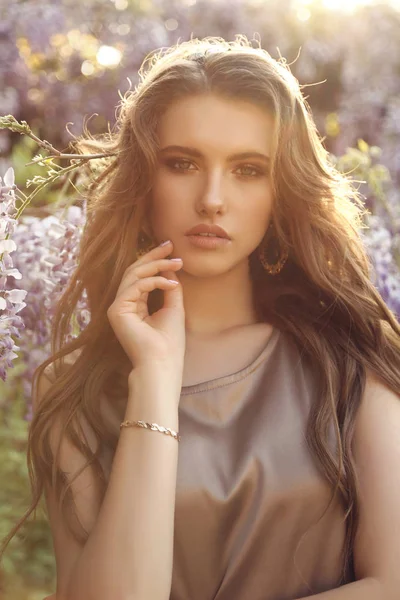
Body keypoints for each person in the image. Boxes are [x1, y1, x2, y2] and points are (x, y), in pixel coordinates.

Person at [2, 36, 400, 600]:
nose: (212, 198)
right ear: (144, 179)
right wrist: (156, 380)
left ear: (282, 190)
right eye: (183, 164)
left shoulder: (353, 357)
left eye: (247, 170)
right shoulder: (75, 389)